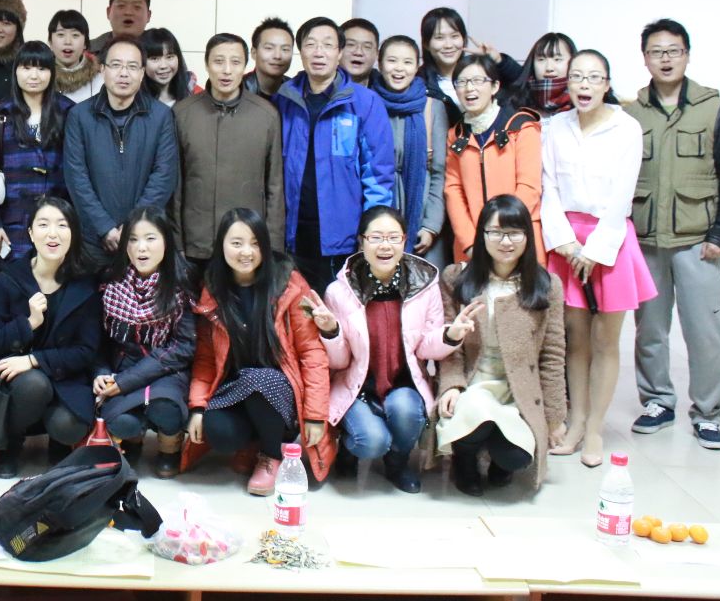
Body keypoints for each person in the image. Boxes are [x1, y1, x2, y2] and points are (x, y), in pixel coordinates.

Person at [624, 19, 720, 449]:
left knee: (704, 332)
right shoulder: (631, 114)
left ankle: (708, 412)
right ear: (645, 58)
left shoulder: (714, 108)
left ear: (687, 55)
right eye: (656, 51)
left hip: (699, 242)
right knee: (649, 331)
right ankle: (658, 401)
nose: (665, 59)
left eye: (673, 51)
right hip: (646, 242)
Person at [541, 49, 655, 467]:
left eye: (594, 77)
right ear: (567, 83)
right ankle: (575, 423)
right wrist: (565, 243)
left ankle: (595, 430)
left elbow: (624, 193)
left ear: (607, 84)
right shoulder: (554, 127)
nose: (585, 85)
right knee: (576, 340)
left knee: (606, 340)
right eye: (577, 77)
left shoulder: (627, 128)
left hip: (610, 240)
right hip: (567, 242)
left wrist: (595, 250)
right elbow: (548, 188)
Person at [317, 206, 470, 492]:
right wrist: (330, 332)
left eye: (393, 237)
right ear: (362, 241)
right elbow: (338, 361)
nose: (385, 246)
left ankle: (397, 464)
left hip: (403, 384)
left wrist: (450, 335)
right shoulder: (339, 291)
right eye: (376, 238)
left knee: (407, 412)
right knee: (372, 441)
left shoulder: (424, 285)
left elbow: (425, 348)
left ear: (404, 240)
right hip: (356, 388)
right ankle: (349, 448)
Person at [188, 208, 332, 494]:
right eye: (236, 243)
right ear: (221, 246)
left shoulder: (289, 284)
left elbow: (312, 353)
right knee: (217, 430)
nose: (246, 252)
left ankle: (271, 455)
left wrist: (316, 415)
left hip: (283, 392)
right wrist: (197, 407)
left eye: (255, 243)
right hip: (236, 388)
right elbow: (205, 358)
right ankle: (255, 445)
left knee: (259, 380)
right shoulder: (213, 289)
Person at [435, 196, 566, 496]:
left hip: (518, 389)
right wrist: (452, 385)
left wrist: (555, 415)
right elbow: (450, 347)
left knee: (515, 457)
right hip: (474, 383)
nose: (505, 242)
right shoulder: (457, 278)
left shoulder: (546, 286)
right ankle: (465, 461)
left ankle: (498, 460)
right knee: (474, 417)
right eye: (496, 233)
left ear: (527, 236)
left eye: (514, 233)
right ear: (482, 235)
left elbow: (553, 355)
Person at [0, 197, 102, 478]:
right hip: (20, 382)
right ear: (31, 234)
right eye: (43, 225)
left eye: (62, 225)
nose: (53, 234)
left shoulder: (85, 283)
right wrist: (28, 324)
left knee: (69, 426)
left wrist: (34, 359)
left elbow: (86, 350)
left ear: (73, 233)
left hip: (65, 377)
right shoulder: (9, 278)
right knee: (34, 385)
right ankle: (11, 443)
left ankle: (58, 442)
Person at [275, 17, 396, 295]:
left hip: (344, 240)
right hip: (293, 238)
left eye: (328, 45)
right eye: (311, 45)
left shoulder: (364, 103)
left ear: (339, 52)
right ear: (301, 51)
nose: (319, 52)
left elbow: (378, 175)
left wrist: (373, 234)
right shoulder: (284, 101)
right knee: (298, 314)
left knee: (341, 314)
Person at [95, 208, 195, 478]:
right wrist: (101, 372)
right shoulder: (110, 281)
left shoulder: (180, 282)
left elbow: (184, 347)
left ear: (166, 242)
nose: (141, 248)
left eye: (151, 238)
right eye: (133, 239)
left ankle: (169, 447)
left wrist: (126, 382)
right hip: (122, 365)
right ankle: (133, 439)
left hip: (165, 368)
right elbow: (98, 342)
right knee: (122, 422)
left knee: (166, 410)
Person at [171, 32, 284, 269]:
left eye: (235, 62)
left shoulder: (266, 115)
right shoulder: (183, 113)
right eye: (218, 61)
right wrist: (177, 242)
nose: (227, 70)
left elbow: (275, 186)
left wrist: (272, 247)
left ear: (245, 66)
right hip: (196, 242)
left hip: (248, 245)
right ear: (206, 64)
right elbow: (175, 185)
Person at [64, 35, 180, 253]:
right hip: (93, 240)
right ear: (102, 69)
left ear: (142, 73)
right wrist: (104, 227)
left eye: (132, 66)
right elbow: (76, 177)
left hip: (144, 239)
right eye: (116, 65)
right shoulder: (79, 116)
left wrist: (133, 227)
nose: (124, 73)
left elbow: (163, 176)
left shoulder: (161, 116)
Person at [0, 40, 73, 269]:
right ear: (16, 71)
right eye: (26, 68)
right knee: (14, 285)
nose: (34, 75)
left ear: (52, 72)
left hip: (58, 224)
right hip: (12, 226)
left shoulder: (68, 112)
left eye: (41, 68)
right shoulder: (1, 114)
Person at [444, 53, 545, 264]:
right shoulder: (456, 134)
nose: (469, 88)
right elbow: (453, 191)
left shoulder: (520, 126)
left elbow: (529, 187)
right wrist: (470, 242)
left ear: (495, 87)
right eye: (461, 82)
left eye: (478, 80)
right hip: (472, 247)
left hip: (518, 239)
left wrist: (500, 237)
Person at [373, 35, 447, 260]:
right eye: (392, 60)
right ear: (380, 64)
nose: (399, 68)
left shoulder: (432, 107)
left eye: (407, 62)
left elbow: (439, 172)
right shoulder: (369, 103)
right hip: (378, 219)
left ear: (417, 66)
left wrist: (431, 225)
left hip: (422, 217)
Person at [419, 6, 521, 122]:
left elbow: (523, 82)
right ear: (426, 44)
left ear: (463, 39)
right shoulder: (420, 83)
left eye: (454, 36)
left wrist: (498, 60)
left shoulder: (480, 70)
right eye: (439, 38)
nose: (448, 45)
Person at [509, 32, 577, 119]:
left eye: (557, 59)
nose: (549, 68)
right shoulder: (515, 103)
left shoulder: (582, 105)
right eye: (541, 59)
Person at [48, 8, 102, 103]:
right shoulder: (40, 77)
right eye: (61, 35)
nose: (68, 42)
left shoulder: (100, 81)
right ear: (50, 42)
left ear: (85, 43)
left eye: (75, 35)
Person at [88, 0, 152, 58]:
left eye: (137, 7)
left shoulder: (162, 51)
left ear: (148, 16)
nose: (128, 12)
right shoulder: (87, 51)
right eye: (121, 6)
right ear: (108, 12)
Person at [141, 27, 201, 105]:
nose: (163, 66)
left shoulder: (197, 95)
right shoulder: (133, 100)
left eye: (169, 57)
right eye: (155, 58)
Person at [245, 16, 294, 98]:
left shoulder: (297, 91)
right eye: (269, 48)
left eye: (285, 49)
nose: (277, 56)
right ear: (254, 53)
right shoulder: (237, 90)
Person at [338, 18, 380, 89]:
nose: (358, 52)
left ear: (377, 54)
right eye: (351, 44)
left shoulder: (388, 91)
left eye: (367, 47)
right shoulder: (320, 88)